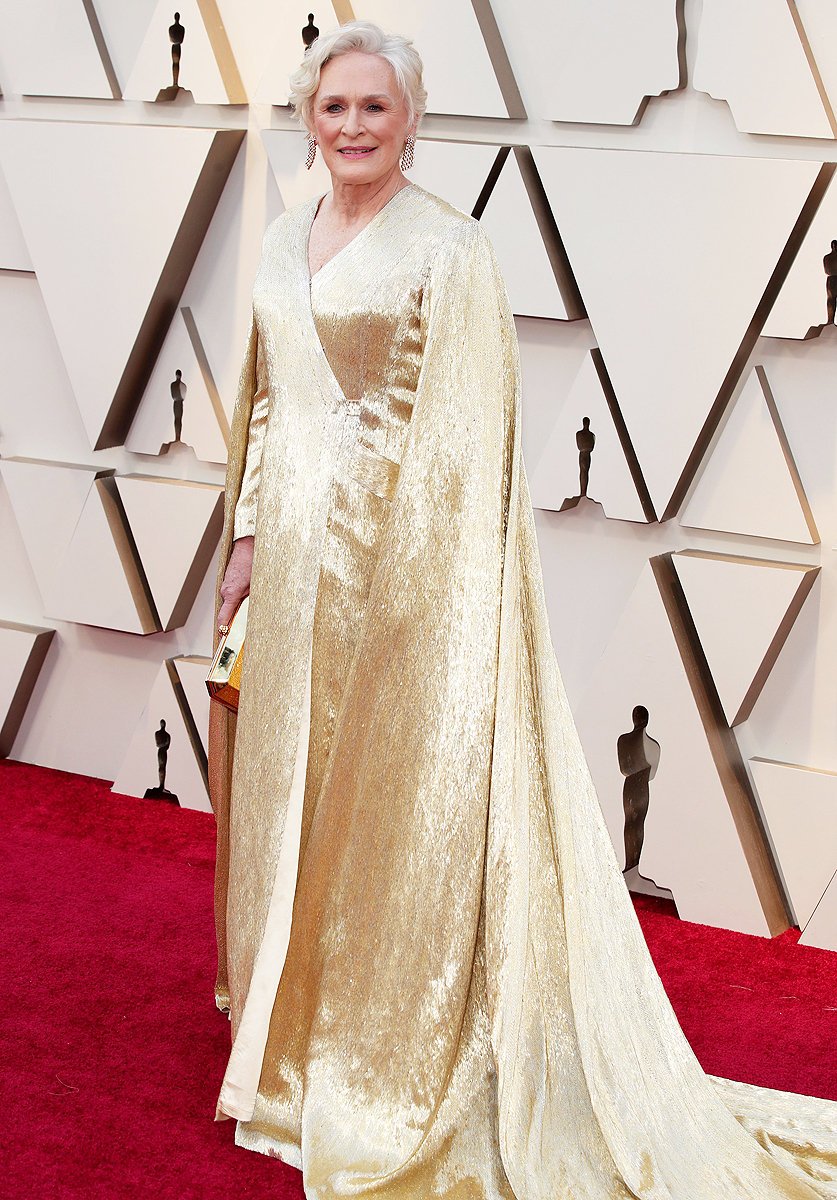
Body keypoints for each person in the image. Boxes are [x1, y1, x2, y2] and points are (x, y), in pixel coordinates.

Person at [208, 20, 837, 1198]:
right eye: (335, 106)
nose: (353, 126)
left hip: (394, 579)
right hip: (289, 567)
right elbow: (271, 400)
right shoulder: (286, 236)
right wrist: (245, 537)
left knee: (378, 801)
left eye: (375, 107)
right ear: (308, 115)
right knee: (287, 780)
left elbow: (465, 446)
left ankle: (370, 1048)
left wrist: (425, 604)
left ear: (411, 118)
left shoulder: (452, 248)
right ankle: (285, 1021)